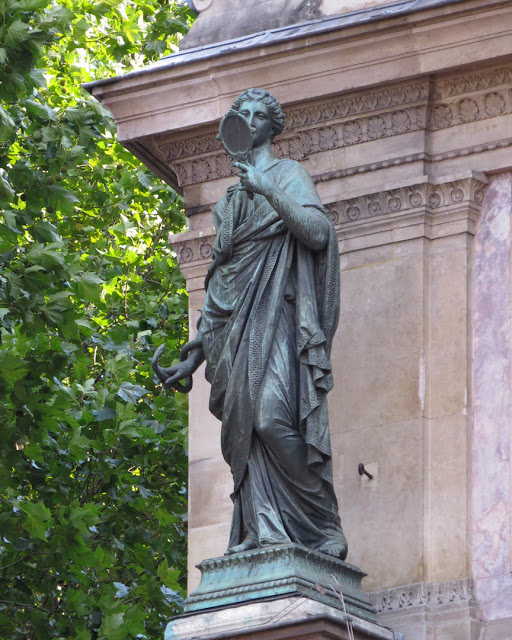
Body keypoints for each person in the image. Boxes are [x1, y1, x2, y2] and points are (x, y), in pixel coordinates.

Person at [153, 88, 347, 559]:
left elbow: (318, 234)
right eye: (243, 114)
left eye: (260, 115)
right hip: (232, 332)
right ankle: (263, 532)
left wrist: (267, 189)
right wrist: (196, 353)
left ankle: (322, 522)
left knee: (271, 418)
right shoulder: (230, 198)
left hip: (276, 318)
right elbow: (223, 282)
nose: (252, 120)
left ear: (271, 126)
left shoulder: (287, 174)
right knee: (249, 430)